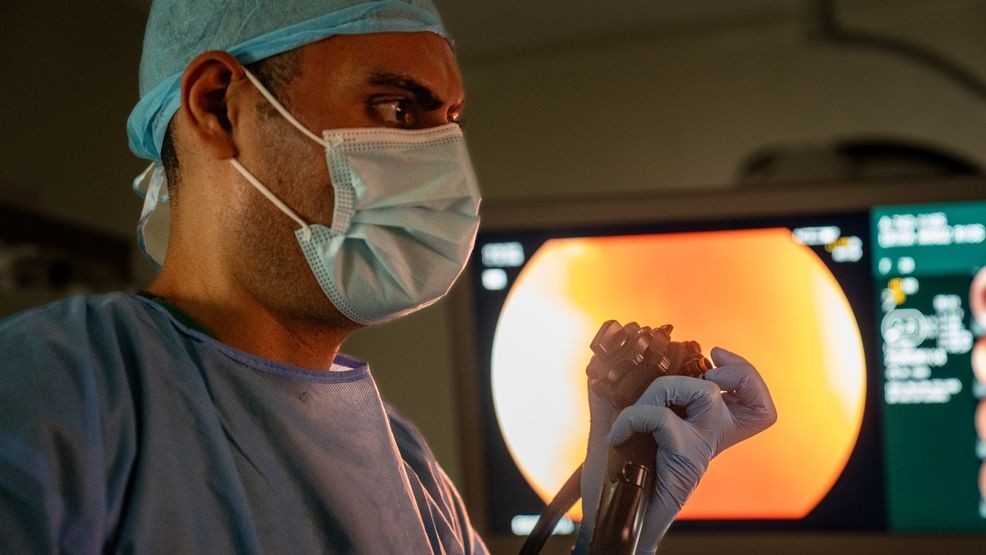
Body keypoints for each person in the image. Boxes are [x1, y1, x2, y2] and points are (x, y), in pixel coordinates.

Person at [0, 1, 777, 553]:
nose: (447, 170)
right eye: (398, 110)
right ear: (220, 106)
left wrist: (617, 509)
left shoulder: (412, 472)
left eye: (450, 123)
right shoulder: (54, 392)